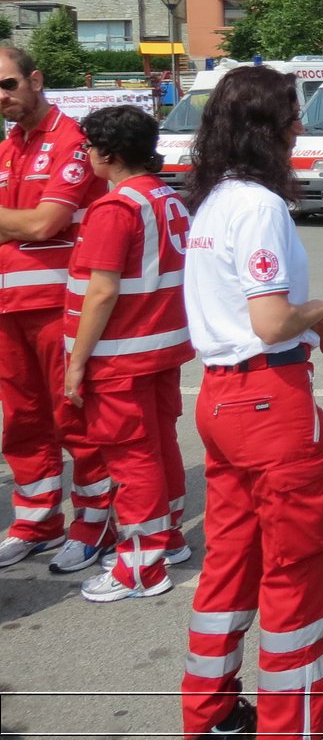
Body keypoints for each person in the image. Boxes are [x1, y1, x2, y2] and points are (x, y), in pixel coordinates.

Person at [179, 66, 323, 740]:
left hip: (223, 402)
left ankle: (210, 710)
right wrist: (319, 311)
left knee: (230, 562)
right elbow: (269, 321)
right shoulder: (258, 206)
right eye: (292, 116)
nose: (301, 128)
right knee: (295, 568)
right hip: (266, 398)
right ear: (268, 128)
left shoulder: (213, 202)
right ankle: (294, 727)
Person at [63, 106, 194, 602]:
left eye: (89, 147)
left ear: (110, 153)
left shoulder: (115, 208)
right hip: (160, 348)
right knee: (159, 446)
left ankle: (140, 564)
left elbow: (101, 292)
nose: (86, 155)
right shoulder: (167, 197)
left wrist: (77, 361)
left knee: (130, 456)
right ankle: (170, 536)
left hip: (119, 355)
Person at [0, 47, 113, 573]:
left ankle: (95, 519)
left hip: (55, 306)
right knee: (21, 420)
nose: (2, 98)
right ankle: (36, 520)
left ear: (35, 79)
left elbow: (45, 225)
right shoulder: (9, 146)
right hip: (8, 307)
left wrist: (19, 222)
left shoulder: (71, 139)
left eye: (8, 85)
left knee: (73, 417)